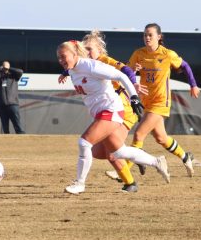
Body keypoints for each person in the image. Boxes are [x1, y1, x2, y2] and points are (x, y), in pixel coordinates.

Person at [57, 40, 169, 195]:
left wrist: (134, 97)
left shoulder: (90, 66)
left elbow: (121, 75)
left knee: (84, 143)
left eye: (64, 56)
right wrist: (64, 73)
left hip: (111, 110)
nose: (61, 60)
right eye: (59, 58)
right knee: (117, 153)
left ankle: (80, 183)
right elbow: (71, 69)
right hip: (101, 114)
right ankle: (156, 162)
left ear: (75, 54)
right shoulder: (73, 69)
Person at [126, 23, 200, 178]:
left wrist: (193, 85)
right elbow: (127, 73)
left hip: (161, 102)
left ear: (159, 37)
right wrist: (134, 70)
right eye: (145, 35)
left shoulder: (167, 54)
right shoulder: (138, 54)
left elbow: (185, 66)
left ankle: (124, 173)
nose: (147, 38)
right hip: (146, 101)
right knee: (161, 138)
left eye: (150, 35)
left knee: (139, 135)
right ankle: (186, 157)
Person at [0, 60, 25, 134]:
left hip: (13, 105)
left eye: (6, 68)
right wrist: (1, 72)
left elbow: (20, 71)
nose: (5, 69)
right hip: (1, 106)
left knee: (18, 127)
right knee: (5, 129)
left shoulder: (13, 75)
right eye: (4, 67)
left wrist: (9, 69)